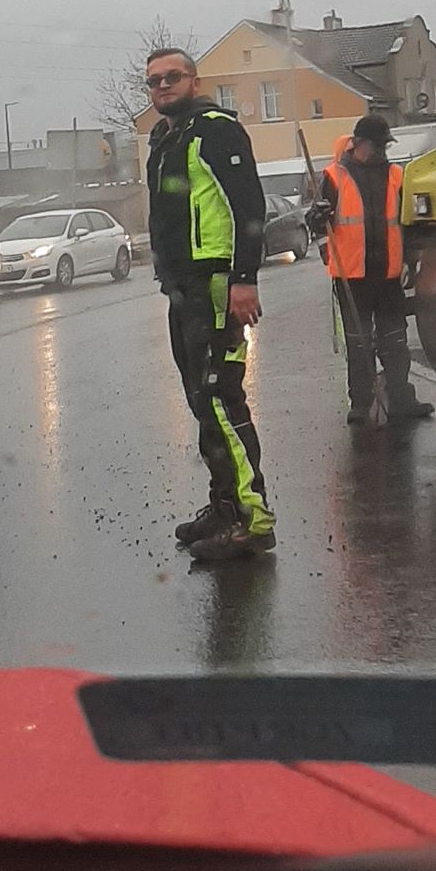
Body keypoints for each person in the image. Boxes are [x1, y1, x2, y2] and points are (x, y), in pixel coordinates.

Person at [145, 48, 276, 562]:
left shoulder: (215, 129)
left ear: (193, 80)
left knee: (221, 396)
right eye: (152, 80)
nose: (161, 86)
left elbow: (249, 205)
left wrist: (245, 278)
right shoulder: (165, 138)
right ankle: (224, 504)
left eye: (171, 77)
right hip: (183, 289)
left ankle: (252, 517)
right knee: (202, 401)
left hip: (218, 282)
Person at [309, 113, 434, 425]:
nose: (383, 151)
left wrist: (411, 260)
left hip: (388, 273)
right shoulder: (334, 176)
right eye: (379, 145)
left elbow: (407, 223)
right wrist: (318, 215)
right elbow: (314, 224)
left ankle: (402, 399)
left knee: (395, 340)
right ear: (361, 143)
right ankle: (361, 403)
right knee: (358, 340)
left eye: (385, 145)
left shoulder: (395, 175)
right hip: (352, 276)